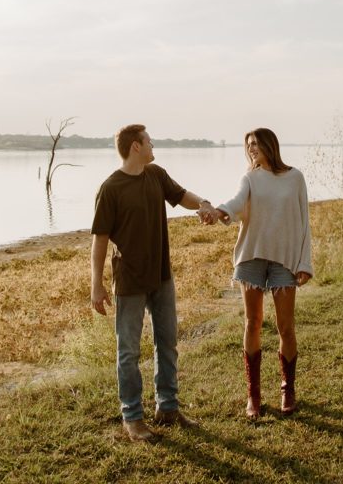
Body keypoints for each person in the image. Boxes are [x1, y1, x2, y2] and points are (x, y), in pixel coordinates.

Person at [90, 124, 217, 443]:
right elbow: (100, 239)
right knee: (128, 351)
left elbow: (181, 195)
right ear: (135, 146)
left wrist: (202, 203)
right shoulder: (111, 188)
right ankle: (132, 418)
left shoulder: (156, 174)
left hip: (161, 276)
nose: (152, 144)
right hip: (129, 281)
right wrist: (96, 284)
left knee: (167, 342)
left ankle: (168, 408)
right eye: (148, 141)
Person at [203, 127, 312, 419]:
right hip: (251, 257)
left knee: (285, 327)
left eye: (256, 143)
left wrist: (305, 262)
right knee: (252, 323)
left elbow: (304, 222)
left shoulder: (295, 177)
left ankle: (288, 389)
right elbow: (237, 202)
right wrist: (220, 211)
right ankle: (254, 395)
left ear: (270, 145)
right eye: (248, 144)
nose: (251, 148)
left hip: (285, 261)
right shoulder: (250, 178)